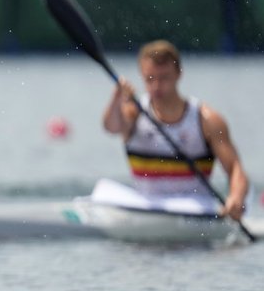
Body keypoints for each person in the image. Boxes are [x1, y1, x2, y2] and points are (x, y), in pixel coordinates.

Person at [102, 39, 248, 220]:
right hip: (145, 209)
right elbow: (111, 127)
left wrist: (236, 197)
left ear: (179, 74)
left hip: (194, 213)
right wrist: (117, 97)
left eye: (164, 78)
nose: (156, 86)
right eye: (150, 78)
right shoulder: (134, 112)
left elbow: (235, 169)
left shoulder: (208, 120)